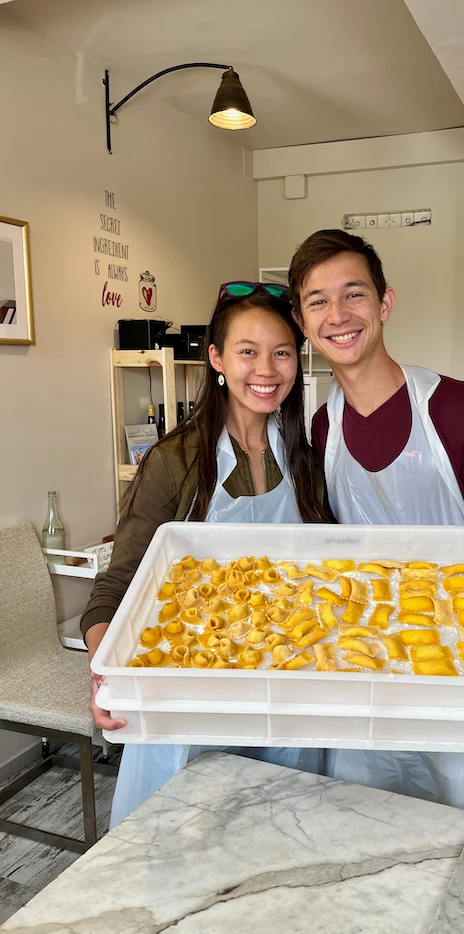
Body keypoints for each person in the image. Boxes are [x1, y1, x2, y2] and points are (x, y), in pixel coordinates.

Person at [288, 229, 464, 839]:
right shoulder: (321, 431)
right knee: (360, 840)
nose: (338, 315)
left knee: (463, 843)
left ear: (384, 303)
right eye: (318, 301)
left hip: (463, 678)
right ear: (303, 322)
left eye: (353, 294)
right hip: (362, 678)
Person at [82, 281, 334, 827]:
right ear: (216, 358)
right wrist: (105, 674)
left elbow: (331, 576)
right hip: (193, 699)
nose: (266, 368)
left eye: (282, 352)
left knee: (284, 842)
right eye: (248, 351)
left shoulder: (309, 462)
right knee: (188, 848)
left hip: (288, 696)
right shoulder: (174, 461)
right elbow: (115, 586)